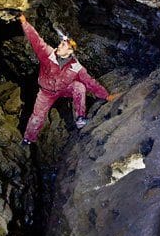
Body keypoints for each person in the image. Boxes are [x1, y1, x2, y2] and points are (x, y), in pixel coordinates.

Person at [17, 13, 120, 144]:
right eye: (60, 44)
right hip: (46, 92)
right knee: (37, 117)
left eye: (63, 45)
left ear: (70, 52)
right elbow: (36, 40)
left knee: (80, 86)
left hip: (63, 89)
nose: (59, 46)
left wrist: (106, 96)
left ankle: (80, 119)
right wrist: (25, 23)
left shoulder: (76, 67)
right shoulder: (48, 54)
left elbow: (90, 83)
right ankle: (28, 139)